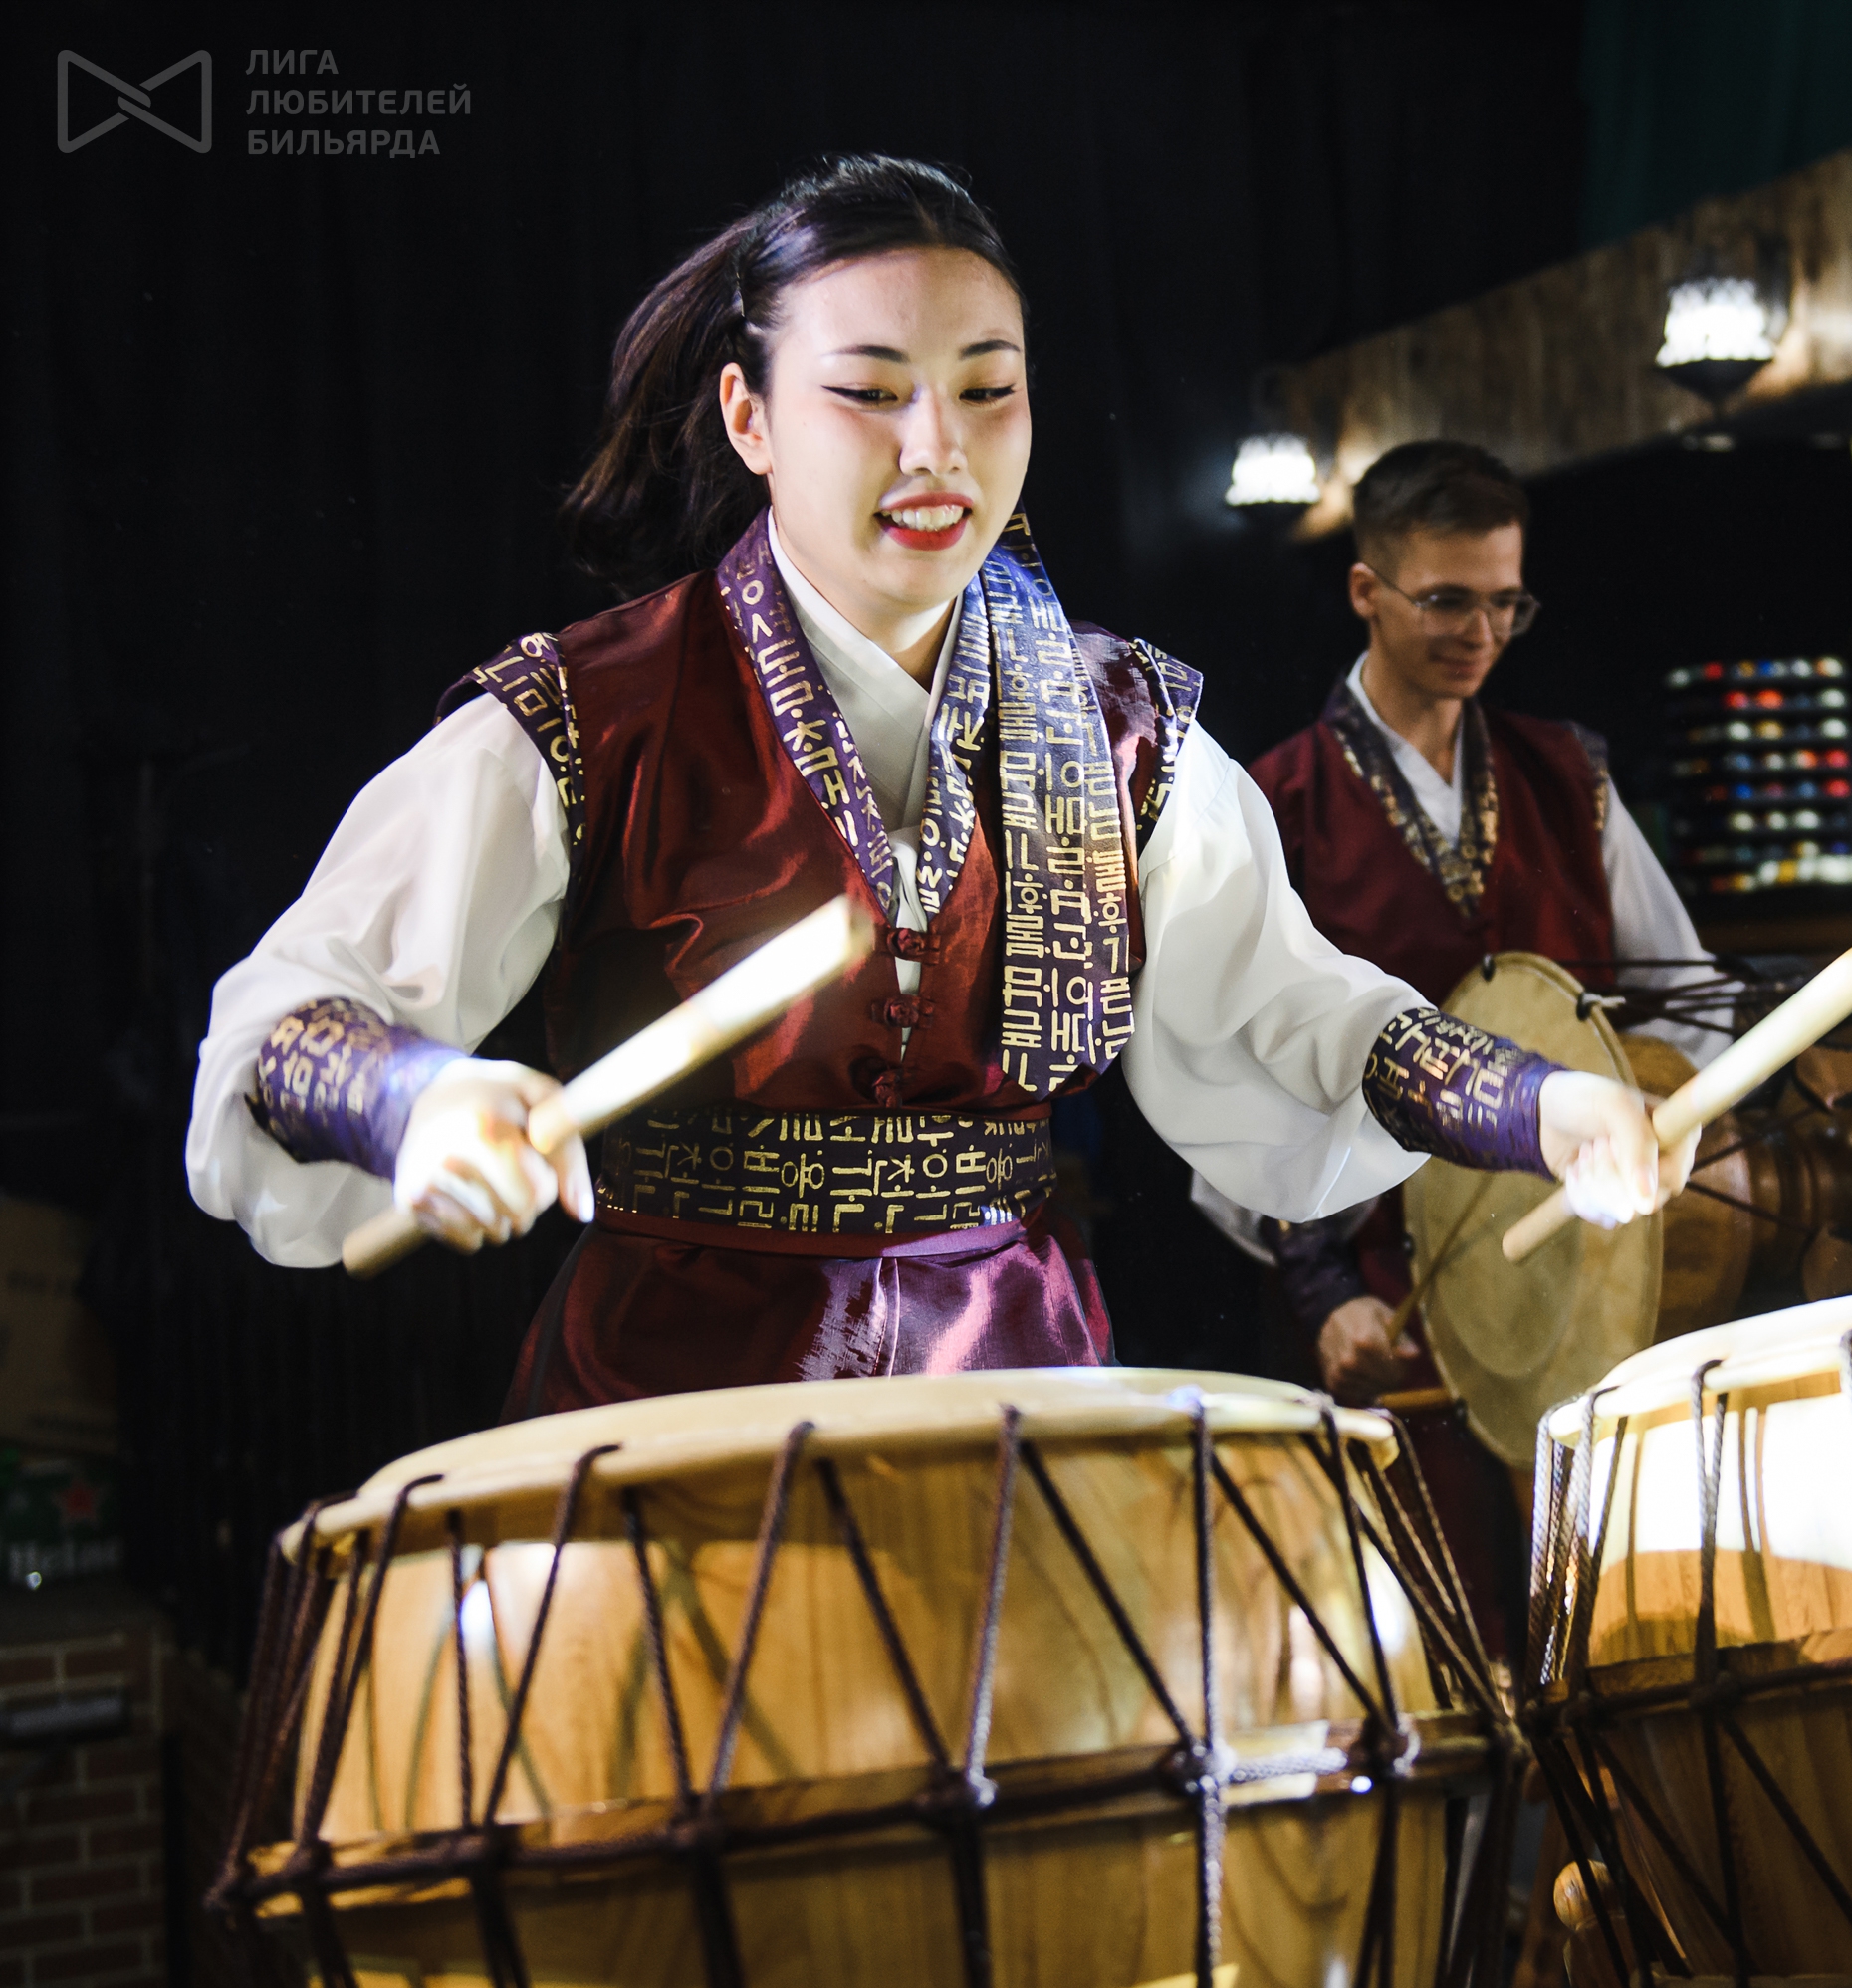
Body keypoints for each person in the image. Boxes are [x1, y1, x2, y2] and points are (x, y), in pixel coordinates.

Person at [184, 157, 1690, 1415]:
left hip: (1015, 1386)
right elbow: (284, 1024)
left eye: (986, 391)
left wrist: (1536, 1104)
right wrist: (412, 1096)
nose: (938, 449)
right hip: (674, 1409)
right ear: (749, 416)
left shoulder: (1121, 732)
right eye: (870, 392)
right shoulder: (594, 714)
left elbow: (1300, 1009)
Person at [1234, 441, 1726, 1403]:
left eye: (1506, 603)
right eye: (1447, 601)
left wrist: (1653, 1123)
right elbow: (1237, 1082)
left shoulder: (1568, 775)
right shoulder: (1277, 803)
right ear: (1366, 591)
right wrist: (1325, 1293)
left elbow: (1687, 997)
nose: (1483, 632)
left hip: (1586, 1268)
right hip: (1385, 1286)